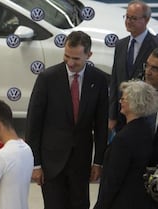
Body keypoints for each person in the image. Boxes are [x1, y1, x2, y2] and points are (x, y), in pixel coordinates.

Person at [25, 31, 109, 209]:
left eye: (76, 59)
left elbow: (101, 125)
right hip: (51, 163)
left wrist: (98, 161)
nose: (70, 63)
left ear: (89, 55)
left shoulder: (99, 80)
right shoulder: (47, 78)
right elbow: (33, 123)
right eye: (67, 56)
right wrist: (35, 164)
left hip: (81, 163)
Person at [93, 80, 158, 209]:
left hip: (122, 201)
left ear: (134, 103)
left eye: (124, 99)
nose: (120, 101)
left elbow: (113, 180)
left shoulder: (124, 139)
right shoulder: (148, 131)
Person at [108, 0, 158, 132]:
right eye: (127, 17)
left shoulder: (155, 45)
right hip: (121, 116)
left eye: (134, 18)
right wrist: (112, 115)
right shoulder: (120, 45)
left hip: (145, 117)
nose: (129, 21)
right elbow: (114, 81)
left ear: (146, 20)